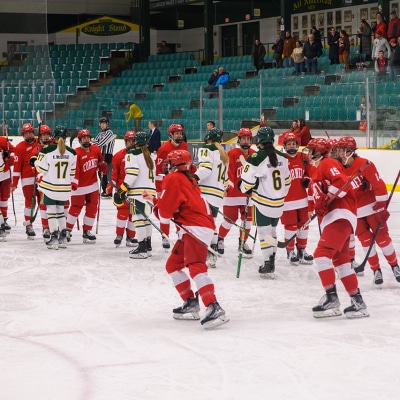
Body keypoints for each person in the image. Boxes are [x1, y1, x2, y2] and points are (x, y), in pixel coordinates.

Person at [142, 149, 229, 329]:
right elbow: (175, 203)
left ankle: (214, 306)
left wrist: (157, 208)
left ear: (175, 165)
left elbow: (166, 214)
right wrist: (154, 200)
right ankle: (190, 302)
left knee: (196, 266)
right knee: (173, 265)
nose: (167, 166)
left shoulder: (174, 178)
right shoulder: (187, 178)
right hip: (194, 227)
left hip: (194, 228)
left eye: (170, 163)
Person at [306, 138, 368, 319]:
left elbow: (341, 181)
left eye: (311, 150)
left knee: (320, 256)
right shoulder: (319, 170)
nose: (308, 154)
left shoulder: (327, 162)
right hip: (337, 219)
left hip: (339, 216)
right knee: (341, 263)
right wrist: (319, 206)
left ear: (318, 151)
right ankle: (358, 303)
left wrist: (326, 200)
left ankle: (331, 300)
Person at [336, 136, 400, 285]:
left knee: (383, 239)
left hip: (372, 209)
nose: (338, 153)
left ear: (350, 151)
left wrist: (382, 206)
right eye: (337, 150)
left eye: (340, 150)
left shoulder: (364, 165)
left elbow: (378, 185)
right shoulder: (337, 169)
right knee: (366, 242)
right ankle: (376, 270)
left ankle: (394, 266)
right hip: (354, 213)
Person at [239, 127, 291, 279]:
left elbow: (247, 183)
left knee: (263, 232)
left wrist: (243, 188)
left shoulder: (256, 157)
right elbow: (287, 182)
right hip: (279, 203)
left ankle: (268, 262)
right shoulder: (283, 156)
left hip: (262, 203)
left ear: (259, 140)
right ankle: (272, 257)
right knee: (273, 230)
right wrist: (280, 195)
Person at [113, 131, 156, 259]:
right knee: (146, 219)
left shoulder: (132, 154)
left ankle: (142, 248)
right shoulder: (151, 156)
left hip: (138, 192)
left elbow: (132, 174)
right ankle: (148, 247)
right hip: (151, 193)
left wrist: (122, 189)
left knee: (138, 219)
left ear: (136, 142)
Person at [34, 126, 77, 250]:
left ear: (54, 137)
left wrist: (37, 160)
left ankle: (53, 238)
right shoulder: (72, 152)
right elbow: (72, 173)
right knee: (60, 212)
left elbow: (41, 169)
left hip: (50, 188)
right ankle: (63, 238)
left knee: (51, 212)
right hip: (64, 189)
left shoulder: (47, 150)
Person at [217, 128, 256, 257]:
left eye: (248, 138)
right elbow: (230, 173)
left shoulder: (254, 154)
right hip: (233, 195)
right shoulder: (232, 154)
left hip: (249, 195)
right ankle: (220, 239)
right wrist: (229, 187)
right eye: (243, 138)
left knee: (248, 221)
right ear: (239, 140)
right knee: (229, 220)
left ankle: (242, 242)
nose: (246, 141)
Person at [194, 127, 228, 268]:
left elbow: (206, 169)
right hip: (217, 194)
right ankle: (212, 252)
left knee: (203, 224)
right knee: (211, 223)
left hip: (206, 192)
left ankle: (206, 251)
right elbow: (225, 178)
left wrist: (193, 178)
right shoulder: (224, 153)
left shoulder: (207, 148)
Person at [66, 129, 107, 244]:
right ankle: (67, 230)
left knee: (92, 208)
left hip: (93, 185)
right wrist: (74, 182)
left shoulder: (95, 149)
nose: (86, 140)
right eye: (83, 138)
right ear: (79, 140)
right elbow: (75, 170)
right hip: (79, 187)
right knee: (75, 207)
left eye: (88, 137)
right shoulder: (76, 153)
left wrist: (102, 165)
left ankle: (87, 231)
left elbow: (100, 161)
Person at [281, 132, 315, 265]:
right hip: (287, 201)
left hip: (302, 199)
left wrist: (307, 179)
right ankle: (290, 251)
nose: (291, 146)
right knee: (291, 226)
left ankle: (302, 250)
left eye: (294, 143)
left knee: (304, 226)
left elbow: (310, 172)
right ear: (285, 146)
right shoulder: (281, 159)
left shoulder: (303, 157)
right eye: (289, 144)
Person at [155, 124, 188, 249]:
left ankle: (180, 232)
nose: (179, 135)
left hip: (180, 184)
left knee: (181, 210)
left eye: (181, 133)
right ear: (171, 135)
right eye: (177, 133)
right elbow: (158, 171)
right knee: (165, 211)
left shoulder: (184, 145)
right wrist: (159, 189)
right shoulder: (164, 149)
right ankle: (165, 236)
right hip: (167, 184)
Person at [107, 131, 137, 248]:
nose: (131, 143)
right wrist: (110, 185)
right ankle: (119, 234)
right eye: (128, 141)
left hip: (135, 190)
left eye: (132, 141)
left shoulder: (140, 155)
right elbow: (114, 174)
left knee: (133, 215)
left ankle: (131, 236)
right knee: (122, 213)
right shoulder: (119, 156)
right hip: (122, 190)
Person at [11, 123, 41, 239]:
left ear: (33, 132)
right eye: (26, 133)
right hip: (27, 179)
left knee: (43, 202)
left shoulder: (40, 142)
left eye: (30, 132)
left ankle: (46, 226)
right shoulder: (19, 147)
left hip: (42, 177)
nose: (29, 135)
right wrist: (14, 183)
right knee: (30, 202)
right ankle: (29, 225)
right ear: (23, 134)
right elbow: (17, 168)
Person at [93, 116, 115, 199]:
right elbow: (95, 142)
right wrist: (94, 142)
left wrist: (94, 143)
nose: (102, 125)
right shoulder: (100, 133)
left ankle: (108, 192)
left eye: (104, 123)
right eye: (101, 123)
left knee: (106, 174)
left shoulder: (109, 132)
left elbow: (100, 143)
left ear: (107, 124)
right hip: (101, 155)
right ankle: (104, 190)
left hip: (107, 155)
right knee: (100, 173)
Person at [0, 134, 15, 234]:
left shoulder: (2, 140)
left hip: (4, 175)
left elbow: (14, 151)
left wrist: (9, 157)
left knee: (4, 198)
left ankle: (4, 220)